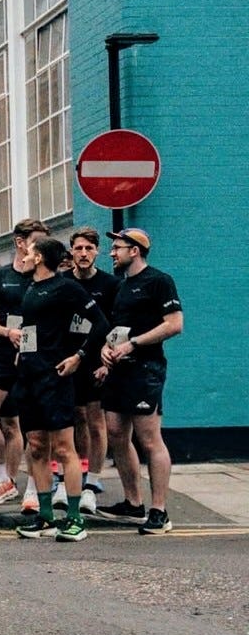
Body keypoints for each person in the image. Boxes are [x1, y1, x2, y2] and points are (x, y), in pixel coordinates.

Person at [12, 238, 108, 542]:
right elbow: (32, 327)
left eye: (28, 253)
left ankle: (75, 519)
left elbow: (101, 324)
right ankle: (45, 517)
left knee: (65, 448)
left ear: (39, 257)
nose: (24, 257)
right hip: (28, 376)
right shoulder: (30, 288)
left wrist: (78, 357)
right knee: (37, 446)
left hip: (55, 376)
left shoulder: (66, 287)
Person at [97, 228, 184, 535]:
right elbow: (116, 330)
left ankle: (159, 510)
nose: (111, 252)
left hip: (146, 369)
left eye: (117, 247)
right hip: (118, 371)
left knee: (149, 440)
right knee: (117, 433)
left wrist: (133, 344)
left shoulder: (159, 281)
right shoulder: (121, 286)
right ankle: (133, 503)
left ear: (134, 251)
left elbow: (174, 325)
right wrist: (106, 352)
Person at [0, 220, 46, 509]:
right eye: (35, 241)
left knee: (30, 426)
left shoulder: (46, 277)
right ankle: (2, 479)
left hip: (35, 355)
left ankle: (32, 486)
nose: (39, 248)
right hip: (4, 350)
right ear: (20, 242)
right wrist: (7, 333)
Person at [67, 228, 117, 513]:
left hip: (96, 362)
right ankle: (76, 472)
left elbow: (115, 324)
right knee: (75, 418)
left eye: (89, 248)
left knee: (96, 420)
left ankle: (93, 481)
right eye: (78, 249)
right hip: (69, 360)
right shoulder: (63, 282)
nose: (83, 254)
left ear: (96, 251)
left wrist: (105, 362)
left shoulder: (110, 284)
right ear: (71, 251)